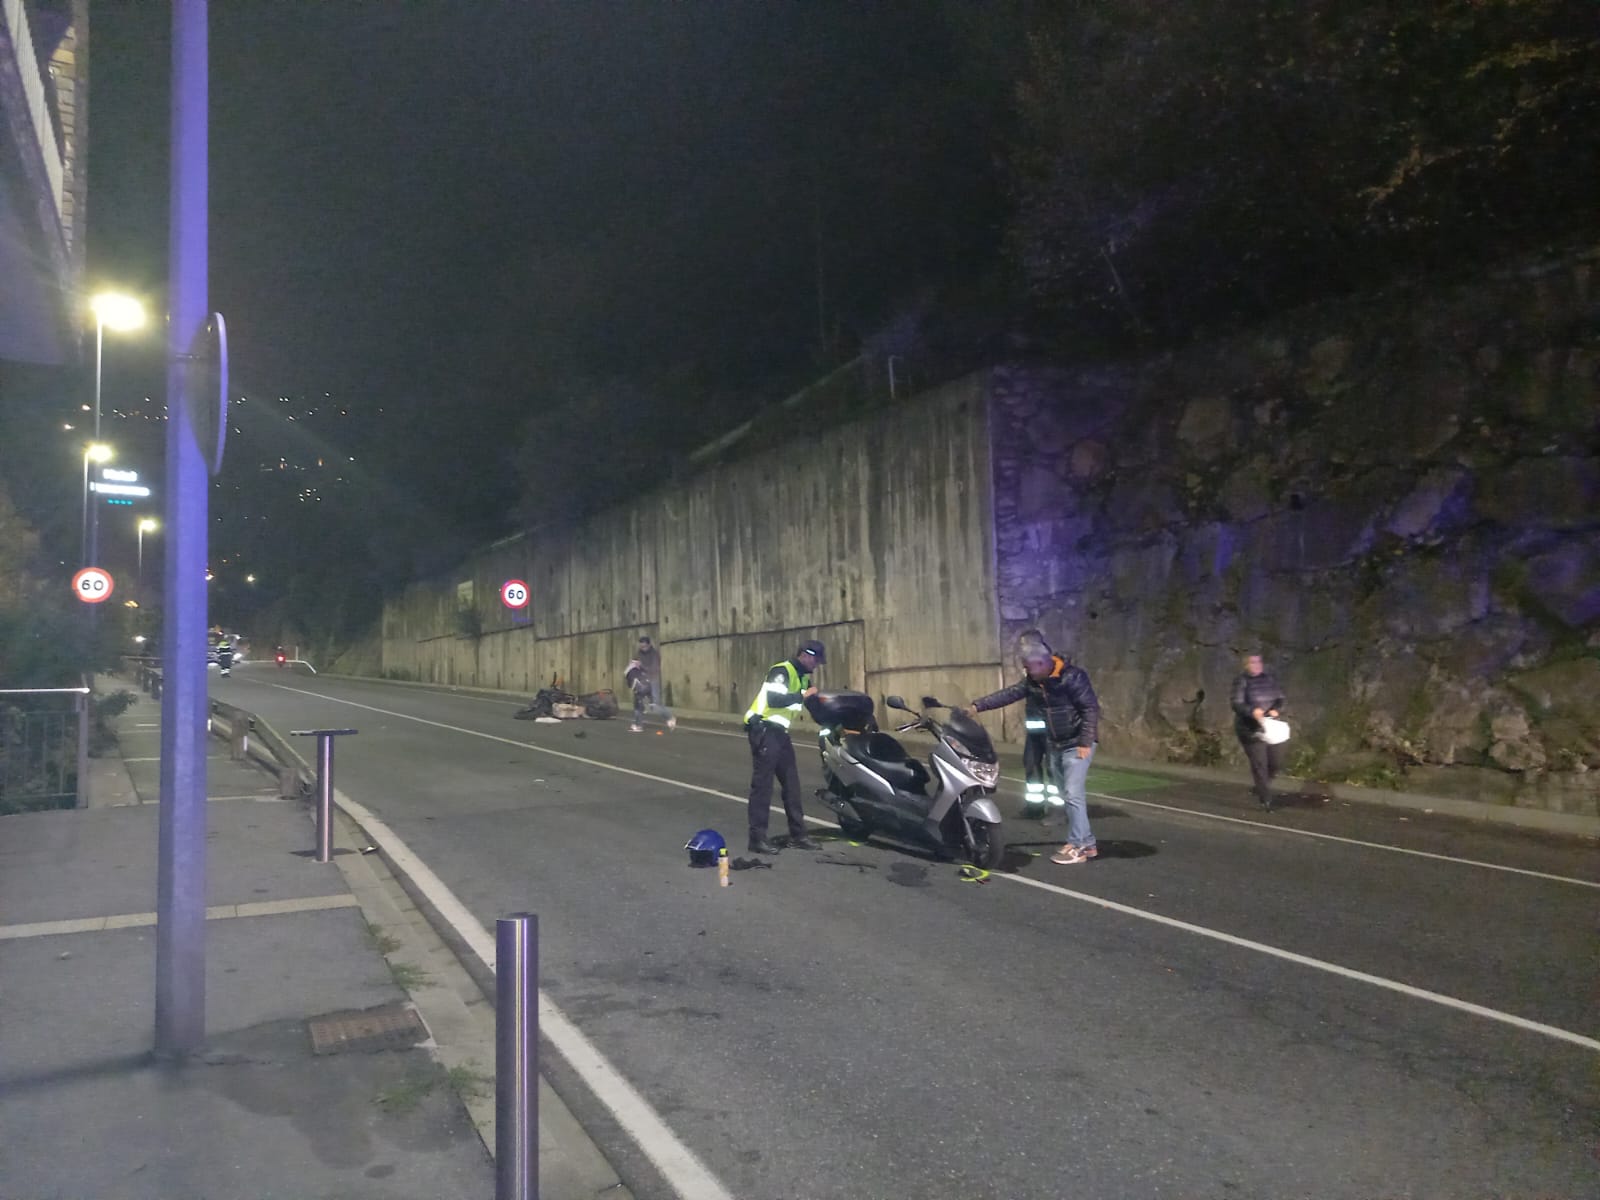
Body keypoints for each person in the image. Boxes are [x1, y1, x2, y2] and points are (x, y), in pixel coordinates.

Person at [972, 632, 1101, 865]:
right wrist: (977, 706)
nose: (1027, 672)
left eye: (1028, 667)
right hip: (1056, 743)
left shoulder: (1072, 677)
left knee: (1073, 794)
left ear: (1042, 663)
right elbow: (1010, 694)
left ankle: (1079, 846)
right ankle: (1087, 842)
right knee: (1066, 793)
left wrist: (1085, 742)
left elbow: (1090, 708)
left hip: (1075, 743)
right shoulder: (1035, 681)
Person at [742, 639, 826, 854]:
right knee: (763, 787)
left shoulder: (802, 678)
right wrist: (802, 696)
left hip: (780, 734)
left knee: (791, 785)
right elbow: (774, 699)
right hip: (763, 729)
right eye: (816, 660)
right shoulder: (781, 670)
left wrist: (834, 720)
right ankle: (757, 839)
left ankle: (799, 835)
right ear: (805, 655)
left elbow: (814, 708)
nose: (817, 665)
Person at [1231, 652, 1287, 811]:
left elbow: (1281, 698)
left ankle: (1260, 786)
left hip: (1268, 726)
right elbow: (1236, 704)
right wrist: (1252, 711)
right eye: (1253, 662)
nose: (1257, 665)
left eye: (1259, 662)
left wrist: (1276, 709)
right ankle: (1266, 799)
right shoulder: (1241, 681)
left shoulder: (1269, 679)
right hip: (1249, 729)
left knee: (1275, 762)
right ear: (1246, 665)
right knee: (1260, 762)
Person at [626, 635, 676, 733]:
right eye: (641, 646)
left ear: (649, 645)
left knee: (654, 705)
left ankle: (670, 717)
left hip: (653, 681)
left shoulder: (654, 654)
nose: (642, 648)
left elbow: (654, 669)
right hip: (641, 680)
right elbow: (634, 664)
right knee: (638, 703)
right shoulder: (638, 653)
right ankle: (638, 725)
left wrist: (641, 666)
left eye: (644, 646)